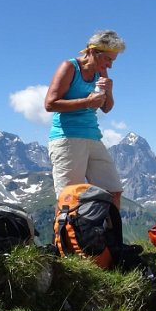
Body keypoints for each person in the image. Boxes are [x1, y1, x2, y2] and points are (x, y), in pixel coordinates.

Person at [44, 29, 126, 208]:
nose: (110, 65)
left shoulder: (101, 72)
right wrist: (87, 102)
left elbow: (106, 108)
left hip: (93, 137)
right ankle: (64, 236)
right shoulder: (69, 67)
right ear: (92, 52)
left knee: (113, 191)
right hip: (67, 137)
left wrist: (109, 91)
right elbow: (50, 104)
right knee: (69, 197)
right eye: (108, 59)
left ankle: (109, 236)